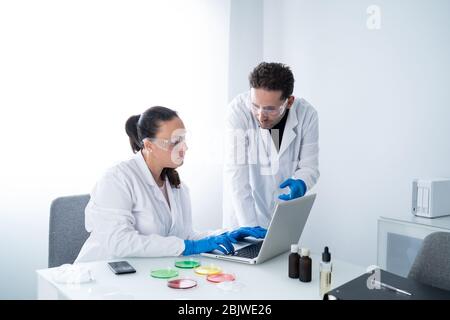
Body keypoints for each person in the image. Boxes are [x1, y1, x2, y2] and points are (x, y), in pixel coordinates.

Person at [75, 106, 266, 262]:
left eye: (183, 139)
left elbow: (185, 237)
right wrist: (189, 247)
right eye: (175, 142)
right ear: (149, 146)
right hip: (99, 276)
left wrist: (229, 233)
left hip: (143, 275)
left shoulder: (176, 186)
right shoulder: (118, 179)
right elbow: (119, 242)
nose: (184, 148)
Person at [223, 62, 320, 229]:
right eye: (255, 106)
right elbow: (237, 176)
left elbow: (309, 166)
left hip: (283, 216)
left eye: (270, 109)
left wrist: (302, 182)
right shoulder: (238, 112)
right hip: (244, 215)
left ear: (289, 102)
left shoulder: (307, 115)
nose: (261, 116)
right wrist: (249, 226)